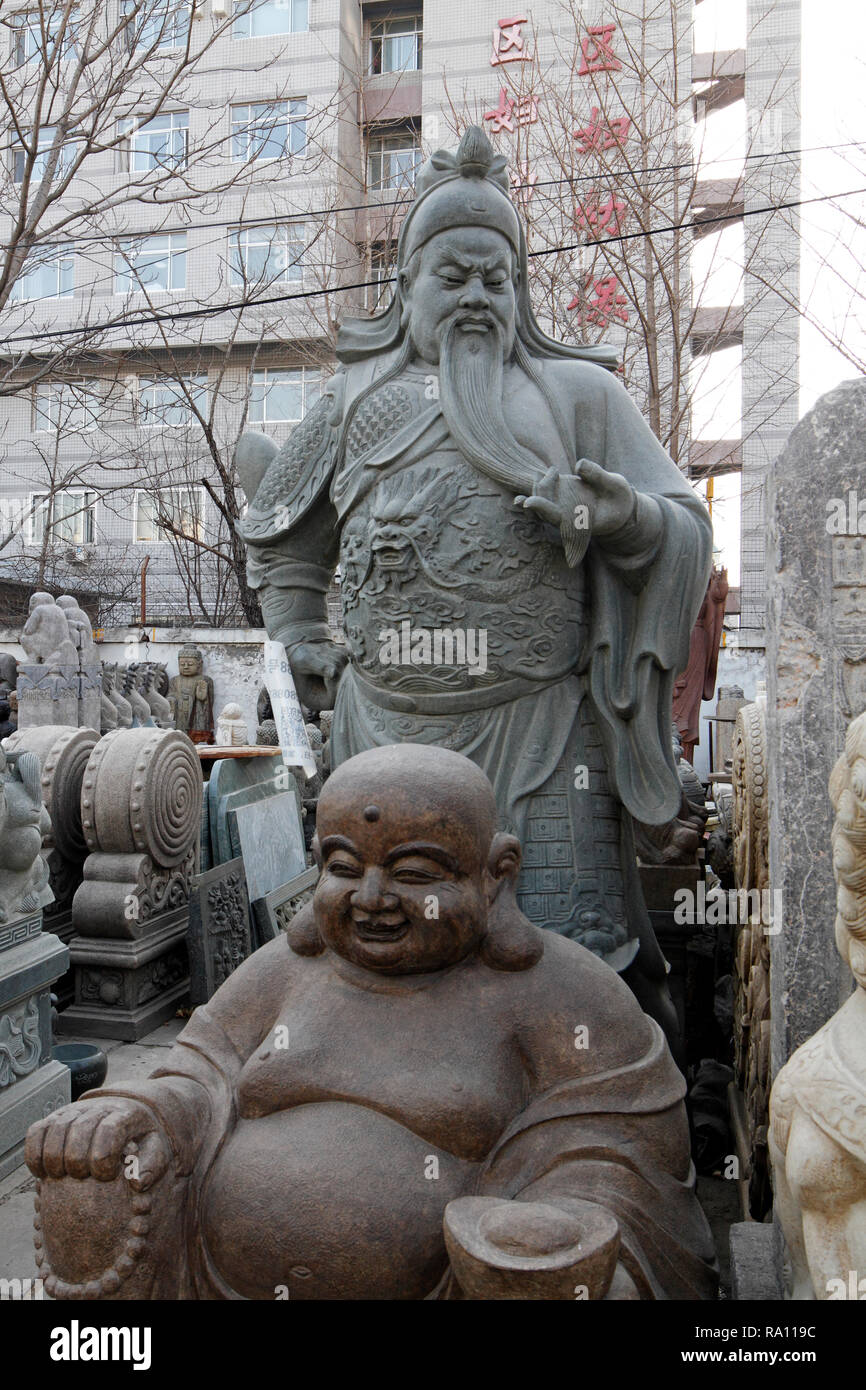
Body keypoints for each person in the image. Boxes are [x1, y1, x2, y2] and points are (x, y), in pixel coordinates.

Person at [236, 126, 712, 1041]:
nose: (476, 298)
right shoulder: (349, 404)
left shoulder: (580, 397)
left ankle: (579, 1128)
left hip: (540, 730)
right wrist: (300, 636)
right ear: (406, 287)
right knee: (379, 960)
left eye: (497, 279)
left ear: (521, 291)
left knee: (566, 970)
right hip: (380, 732)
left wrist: (626, 520)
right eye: (451, 277)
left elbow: (685, 526)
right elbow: (286, 540)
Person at [27, 744, 717, 1300]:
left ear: (495, 874)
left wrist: (546, 1225)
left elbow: (618, 1154)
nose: (373, 898)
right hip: (212, 1270)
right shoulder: (287, 969)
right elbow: (197, 1072)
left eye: (415, 873)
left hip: (453, 1281)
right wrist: (132, 1109)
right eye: (344, 867)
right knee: (89, 1189)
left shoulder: (558, 994)